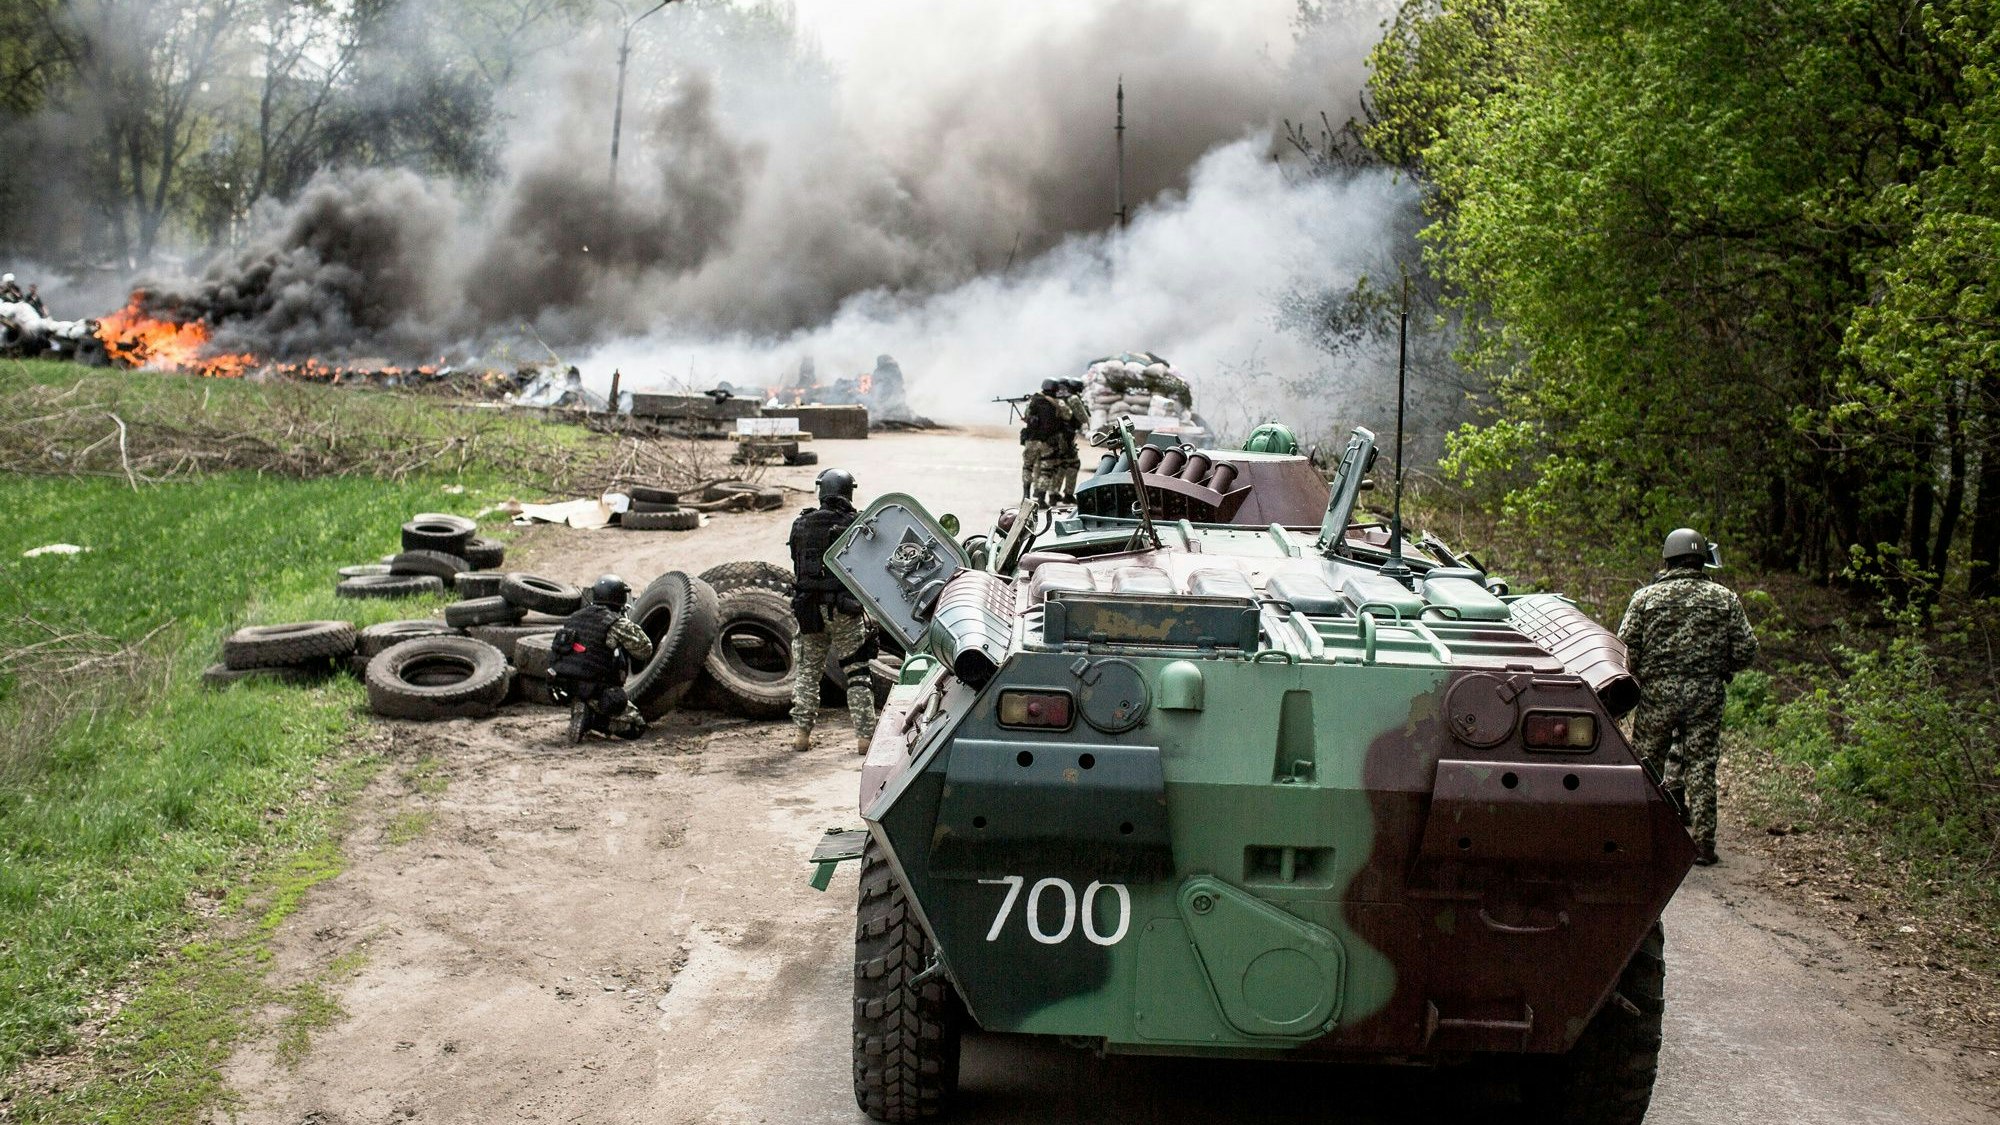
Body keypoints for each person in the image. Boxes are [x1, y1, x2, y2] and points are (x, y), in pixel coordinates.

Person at [1617, 528, 1758, 866]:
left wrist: (1646, 673)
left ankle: (1641, 842)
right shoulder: (1725, 599)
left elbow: (1625, 648)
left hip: (1657, 695)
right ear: (1701, 560)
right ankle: (1705, 846)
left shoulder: (1646, 598)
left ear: (1668, 557)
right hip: (1705, 695)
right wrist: (1718, 666)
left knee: (1646, 766)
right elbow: (1746, 650)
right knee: (1701, 765)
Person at [788, 467, 877, 753]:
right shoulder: (856, 525)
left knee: (808, 673)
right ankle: (864, 739)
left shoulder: (801, 524)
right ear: (848, 492)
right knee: (857, 674)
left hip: (809, 610)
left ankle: (801, 736)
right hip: (845, 611)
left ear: (821, 491)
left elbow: (797, 564)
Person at [548, 574, 655, 739]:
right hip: (596, 689)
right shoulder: (615, 622)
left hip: (566, 687)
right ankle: (593, 719)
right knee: (637, 726)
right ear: (619, 597)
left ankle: (581, 708)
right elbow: (644, 650)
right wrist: (629, 626)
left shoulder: (574, 618)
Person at [1042, 378, 1089, 504]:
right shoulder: (1073, 399)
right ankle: (1068, 494)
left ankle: (1053, 494)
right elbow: (1083, 417)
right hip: (1066, 437)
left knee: (1060, 464)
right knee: (1073, 464)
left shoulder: (1057, 397)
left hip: (1056, 437)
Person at [1019, 378, 1066, 502]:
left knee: (1027, 467)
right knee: (1046, 471)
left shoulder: (1033, 401)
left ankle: (1026, 494)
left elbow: (1027, 415)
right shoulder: (1057, 403)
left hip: (1031, 440)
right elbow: (1067, 416)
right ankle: (1040, 498)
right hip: (1047, 442)